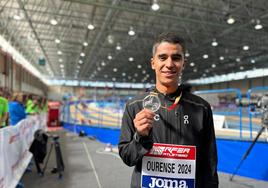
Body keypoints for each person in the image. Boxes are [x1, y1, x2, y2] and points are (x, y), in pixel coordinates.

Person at [118, 32, 218, 188]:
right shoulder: (134, 106)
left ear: (184, 64)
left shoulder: (201, 108)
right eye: (162, 57)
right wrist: (140, 137)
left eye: (176, 58)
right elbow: (127, 157)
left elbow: (209, 162)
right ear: (153, 63)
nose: (169, 64)